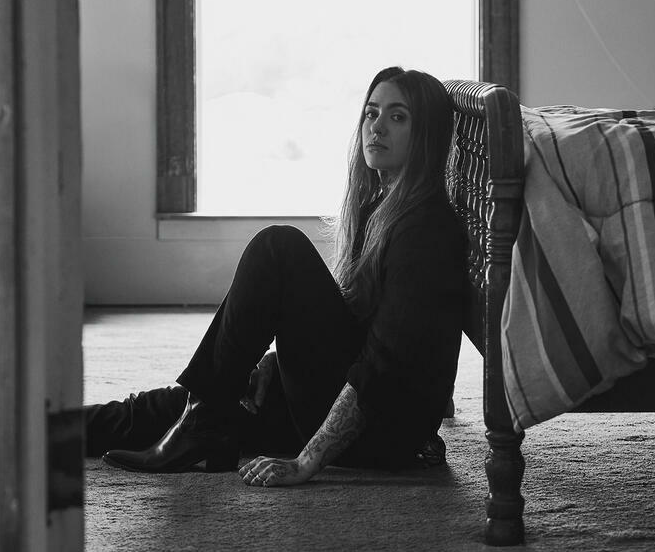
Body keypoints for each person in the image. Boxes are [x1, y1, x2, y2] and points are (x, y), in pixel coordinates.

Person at [86, 66, 468, 487]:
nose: (377, 127)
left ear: (426, 136)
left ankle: (204, 424)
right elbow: (350, 324)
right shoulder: (380, 206)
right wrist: (275, 362)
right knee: (171, 407)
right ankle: (50, 429)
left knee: (278, 247)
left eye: (398, 117)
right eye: (371, 113)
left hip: (382, 434)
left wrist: (306, 462)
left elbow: (380, 370)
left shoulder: (426, 231)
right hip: (346, 399)